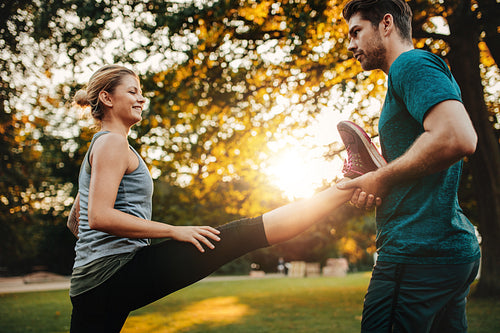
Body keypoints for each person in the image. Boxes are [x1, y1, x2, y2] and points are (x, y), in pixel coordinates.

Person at [67, 64, 381, 332]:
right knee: (241, 235)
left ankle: (350, 183)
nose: (141, 97)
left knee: (241, 235)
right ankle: (350, 182)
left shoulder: (103, 145)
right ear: (107, 98)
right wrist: (174, 231)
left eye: (141, 91)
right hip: (111, 274)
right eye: (132, 91)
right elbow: (99, 217)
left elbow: (76, 219)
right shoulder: (112, 144)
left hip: (99, 280)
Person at [337, 0, 481, 332]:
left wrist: (381, 178)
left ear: (386, 24)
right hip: (448, 251)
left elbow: (457, 137)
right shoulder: (414, 73)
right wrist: (374, 183)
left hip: (415, 255)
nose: (351, 45)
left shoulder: (410, 64)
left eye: (356, 32)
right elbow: (423, 166)